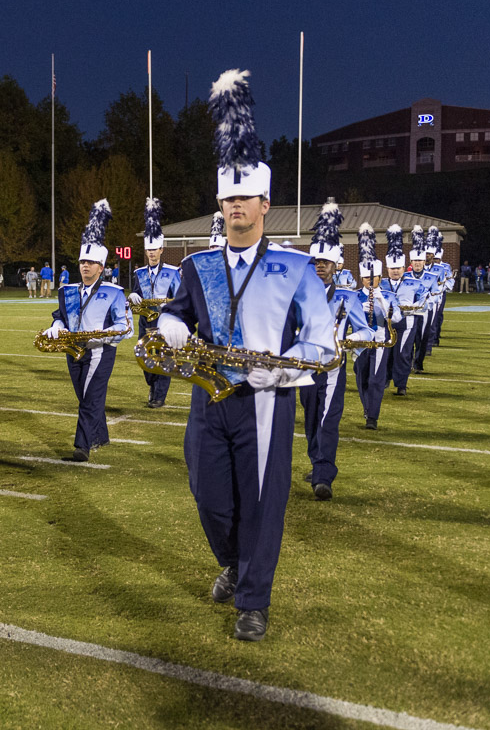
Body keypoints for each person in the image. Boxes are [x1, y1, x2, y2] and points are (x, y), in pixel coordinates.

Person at [157, 69, 337, 642]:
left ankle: (253, 599)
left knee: (263, 501)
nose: (236, 206)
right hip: (209, 398)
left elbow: (324, 341)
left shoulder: (296, 267)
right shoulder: (197, 266)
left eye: (245, 197)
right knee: (208, 493)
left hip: (266, 399)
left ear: (264, 202)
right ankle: (234, 564)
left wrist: (279, 368)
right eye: (228, 198)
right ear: (221, 202)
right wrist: (170, 331)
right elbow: (174, 315)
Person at [42, 199, 131, 462]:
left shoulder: (114, 292)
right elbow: (60, 317)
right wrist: (56, 328)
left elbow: (126, 326)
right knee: (85, 396)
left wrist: (98, 335)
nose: (85, 266)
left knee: (90, 398)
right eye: (82, 262)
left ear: (101, 268)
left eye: (91, 263)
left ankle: (82, 446)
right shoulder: (66, 290)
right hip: (73, 350)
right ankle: (100, 436)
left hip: (100, 352)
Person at [301, 202, 372, 500]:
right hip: (304, 366)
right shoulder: (300, 293)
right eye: (316, 262)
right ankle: (317, 462)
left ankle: (324, 476)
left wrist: (349, 341)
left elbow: (367, 330)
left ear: (335, 265)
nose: (320, 266)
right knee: (310, 420)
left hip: (332, 369)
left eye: (325, 263)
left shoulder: (347, 296)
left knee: (329, 421)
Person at [130, 197, 182, 408]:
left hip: (165, 321)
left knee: (165, 358)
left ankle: (159, 397)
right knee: (145, 359)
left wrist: (168, 307)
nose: (152, 253)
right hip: (145, 321)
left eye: (155, 250)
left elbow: (180, 298)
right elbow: (134, 294)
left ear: (161, 250)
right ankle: (152, 384)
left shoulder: (172, 272)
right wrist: (132, 297)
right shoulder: (138, 273)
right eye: (149, 250)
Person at [353, 225, 402, 430]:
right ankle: (367, 407)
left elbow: (397, 318)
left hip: (380, 341)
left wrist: (383, 302)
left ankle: (372, 416)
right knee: (362, 378)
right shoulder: (354, 296)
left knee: (376, 380)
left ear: (380, 277)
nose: (370, 281)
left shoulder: (389, 295)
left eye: (373, 278)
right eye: (366, 278)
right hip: (360, 344)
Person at [381, 225, 427, 396]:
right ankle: (385, 378)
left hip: (407, 322)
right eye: (392, 268)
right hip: (386, 322)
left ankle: (401, 384)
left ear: (403, 268)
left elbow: (424, 301)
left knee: (403, 353)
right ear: (387, 269)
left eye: (398, 268)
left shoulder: (414, 283)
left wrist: (416, 307)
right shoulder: (381, 284)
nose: (395, 271)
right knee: (385, 351)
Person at [408, 227, 438, 374]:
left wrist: (426, 301)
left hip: (424, 312)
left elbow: (435, 294)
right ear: (411, 261)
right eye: (415, 261)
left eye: (420, 260)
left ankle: (418, 364)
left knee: (421, 338)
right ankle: (406, 363)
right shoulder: (405, 277)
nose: (418, 263)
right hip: (408, 312)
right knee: (408, 339)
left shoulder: (432, 277)